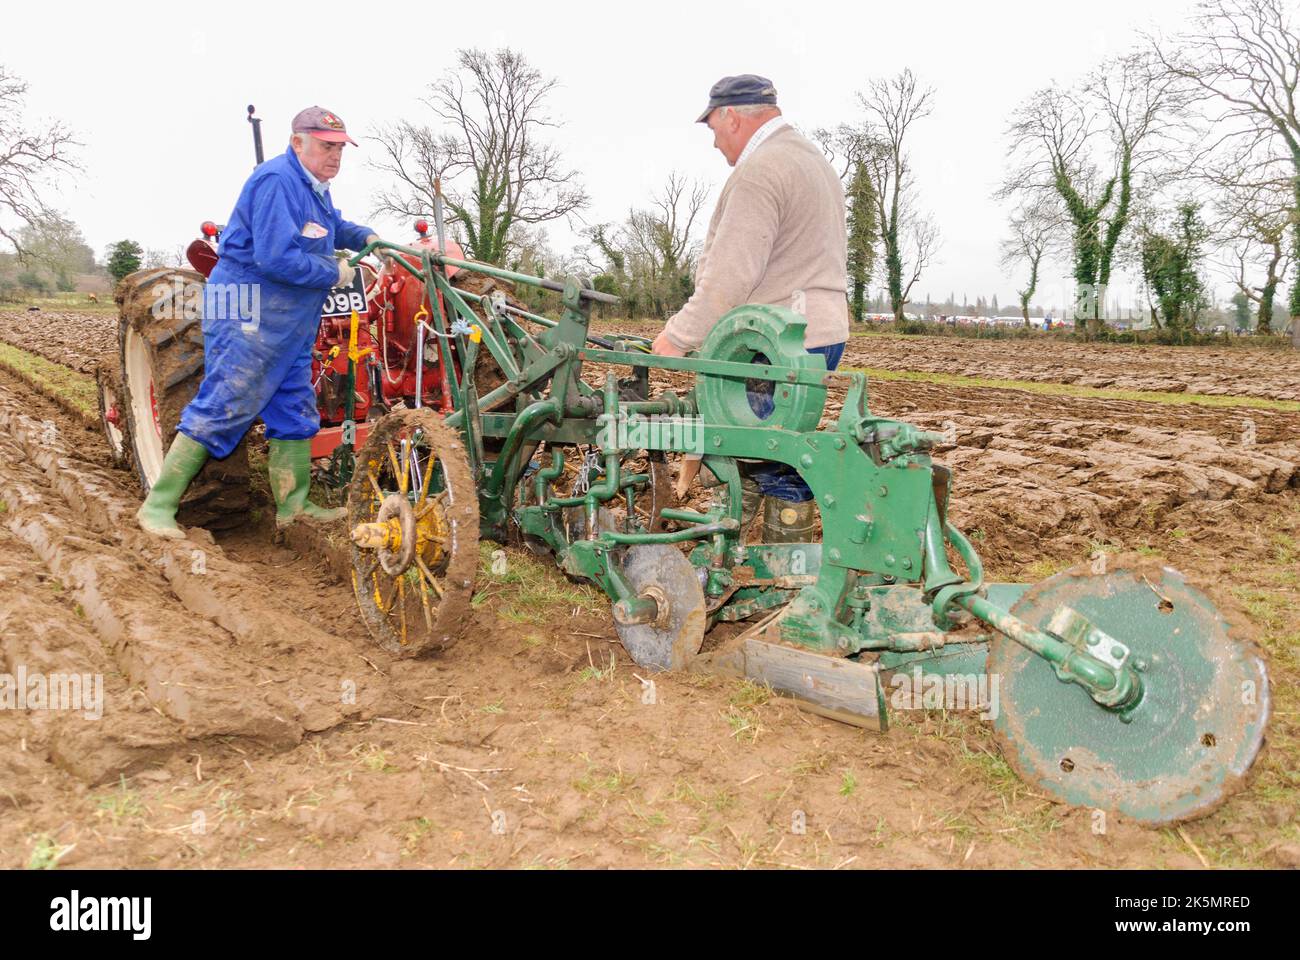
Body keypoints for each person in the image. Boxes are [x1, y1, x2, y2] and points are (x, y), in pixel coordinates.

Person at [137, 105, 386, 539]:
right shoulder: (277, 180)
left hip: (289, 318)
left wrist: (363, 235)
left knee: (293, 406)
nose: (335, 157)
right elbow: (276, 259)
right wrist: (335, 272)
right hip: (248, 306)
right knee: (228, 399)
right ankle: (157, 507)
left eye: (340, 149)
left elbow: (328, 226)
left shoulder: (315, 187)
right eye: (327, 147)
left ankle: (293, 507)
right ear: (297, 143)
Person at [651, 75, 849, 542]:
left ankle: (784, 572)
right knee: (762, 447)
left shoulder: (761, 169)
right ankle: (739, 547)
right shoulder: (810, 158)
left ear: (731, 116)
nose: (716, 143)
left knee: (773, 453)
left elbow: (729, 278)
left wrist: (678, 336)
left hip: (776, 341)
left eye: (713, 130)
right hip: (820, 332)